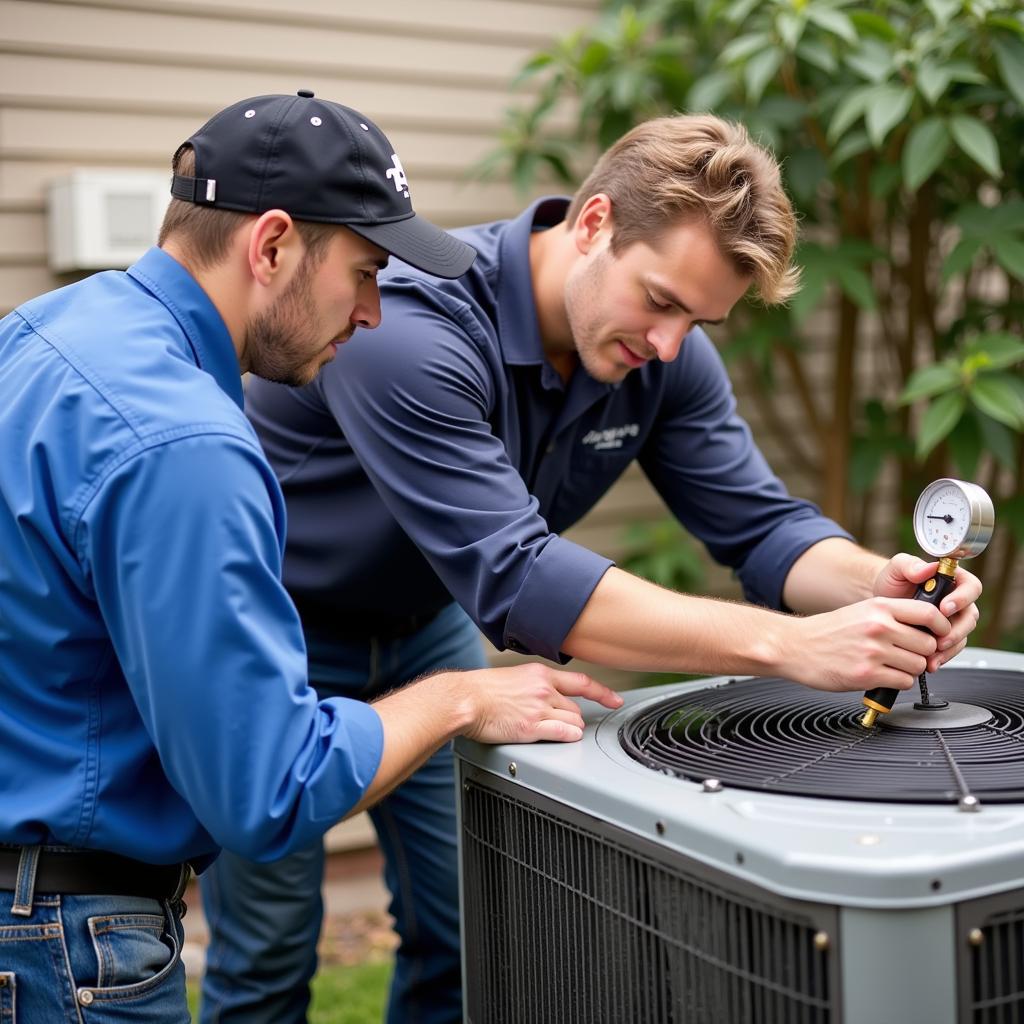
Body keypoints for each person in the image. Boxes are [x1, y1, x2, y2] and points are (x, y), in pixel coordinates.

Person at [220, 112, 987, 1024]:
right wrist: (794, 647)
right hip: (278, 636)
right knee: (267, 955)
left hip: (424, 634)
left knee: (464, 933)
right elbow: (519, 577)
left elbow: (762, 528)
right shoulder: (407, 327)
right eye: (660, 302)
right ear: (591, 225)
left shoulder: (663, 355)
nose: (669, 346)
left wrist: (879, 590)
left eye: (697, 321)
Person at [0, 90, 623, 1024]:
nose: (375, 312)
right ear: (274, 245)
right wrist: (459, 697)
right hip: (71, 942)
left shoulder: (45, 332)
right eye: (366, 271)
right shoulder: (188, 444)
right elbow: (268, 788)